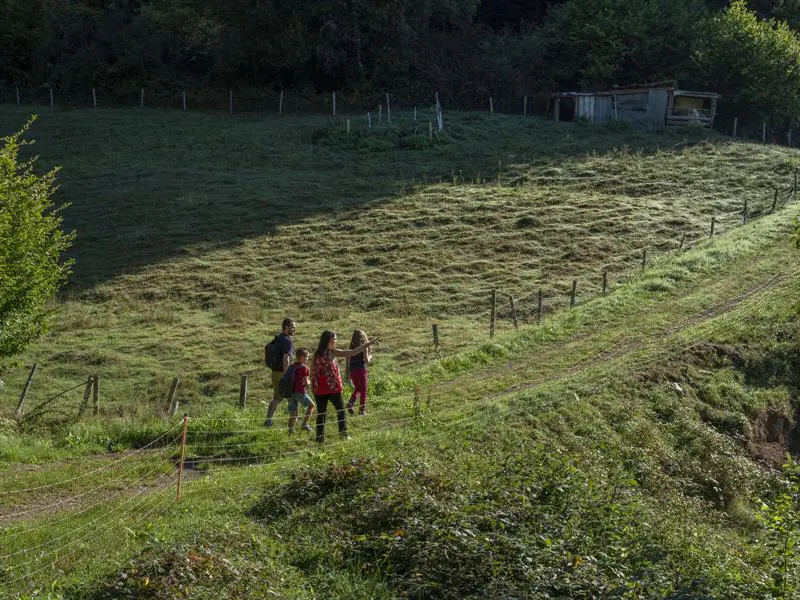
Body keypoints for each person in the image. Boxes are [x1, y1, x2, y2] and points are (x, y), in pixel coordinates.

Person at [311, 330, 375, 443]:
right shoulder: (332, 352)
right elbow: (352, 352)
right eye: (335, 340)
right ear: (330, 341)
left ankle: (319, 439)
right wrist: (367, 344)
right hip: (333, 388)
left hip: (319, 389)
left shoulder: (316, 354)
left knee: (321, 414)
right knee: (341, 411)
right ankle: (343, 435)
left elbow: (312, 370)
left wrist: (314, 386)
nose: (335, 342)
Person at [265, 318, 295, 427]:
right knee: (292, 396)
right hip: (283, 372)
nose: (294, 329)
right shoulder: (287, 340)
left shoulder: (277, 339)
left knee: (277, 397)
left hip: (274, 372)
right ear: (286, 327)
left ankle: (268, 420)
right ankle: (293, 423)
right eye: (292, 327)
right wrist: (287, 375)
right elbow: (286, 359)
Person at [288, 348, 315, 434]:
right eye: (307, 357)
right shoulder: (305, 368)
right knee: (311, 405)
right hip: (299, 392)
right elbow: (306, 382)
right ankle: (304, 424)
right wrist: (310, 384)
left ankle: (290, 432)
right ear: (302, 357)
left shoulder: (291, 366)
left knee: (293, 413)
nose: (307, 359)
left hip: (290, 392)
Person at [346, 329, 373, 416]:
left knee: (358, 387)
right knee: (363, 390)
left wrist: (348, 374)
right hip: (360, 370)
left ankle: (350, 403)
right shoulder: (363, 347)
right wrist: (370, 356)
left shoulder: (351, 347)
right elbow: (366, 361)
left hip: (352, 371)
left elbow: (348, 361)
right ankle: (362, 410)